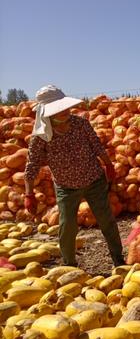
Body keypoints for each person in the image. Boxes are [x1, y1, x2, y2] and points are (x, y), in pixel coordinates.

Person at [24, 85, 124, 267]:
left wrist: (108, 164)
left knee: (106, 220)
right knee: (67, 225)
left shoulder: (81, 124)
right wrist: (29, 194)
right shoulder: (40, 136)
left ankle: (118, 259)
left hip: (94, 179)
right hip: (65, 186)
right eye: (58, 110)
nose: (64, 112)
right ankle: (69, 264)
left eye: (65, 107)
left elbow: (97, 145)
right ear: (47, 114)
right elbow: (31, 165)